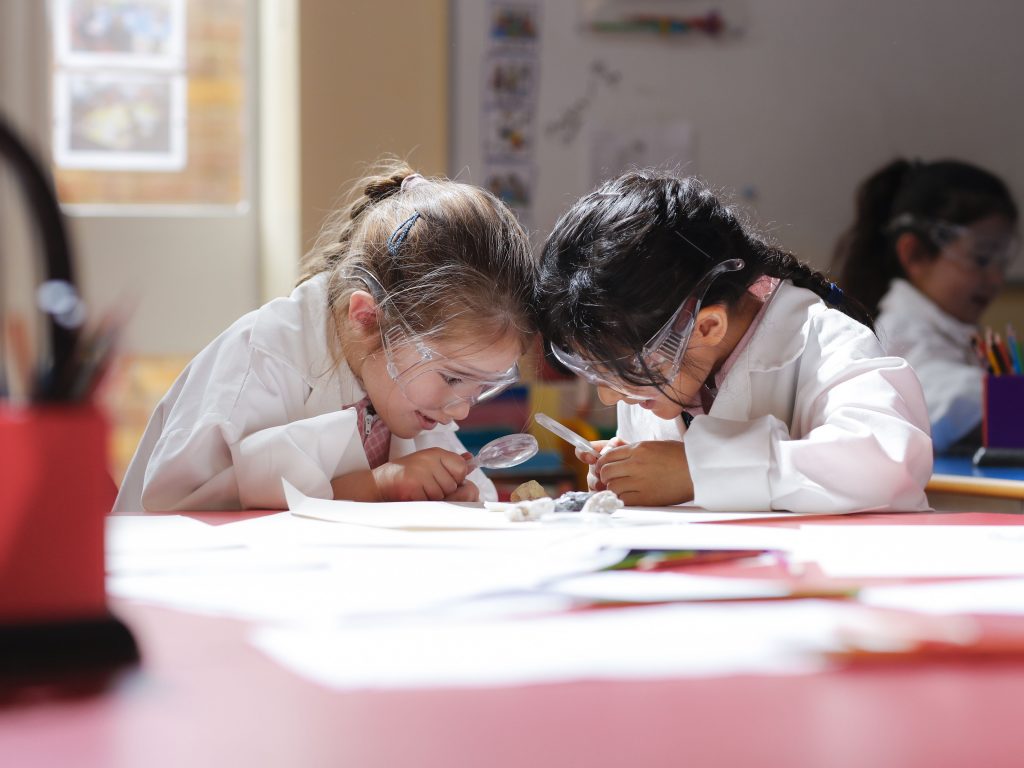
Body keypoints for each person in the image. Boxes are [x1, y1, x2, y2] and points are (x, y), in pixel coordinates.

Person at [114, 159, 537, 511]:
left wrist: (451, 501)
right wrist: (377, 487)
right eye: (452, 379)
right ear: (367, 318)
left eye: (482, 387)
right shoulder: (259, 360)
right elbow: (181, 515)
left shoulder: (407, 382)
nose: (461, 412)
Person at [536, 169, 932, 512]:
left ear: (708, 327)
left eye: (624, 372)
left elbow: (888, 463)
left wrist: (696, 471)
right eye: (597, 372)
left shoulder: (826, 342)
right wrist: (630, 475)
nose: (609, 397)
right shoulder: (659, 355)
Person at [833, 159, 1019, 452]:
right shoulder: (898, 332)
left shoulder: (952, 331)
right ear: (914, 254)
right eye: (982, 257)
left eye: (1002, 259)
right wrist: (1008, 399)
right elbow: (937, 398)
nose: (996, 278)